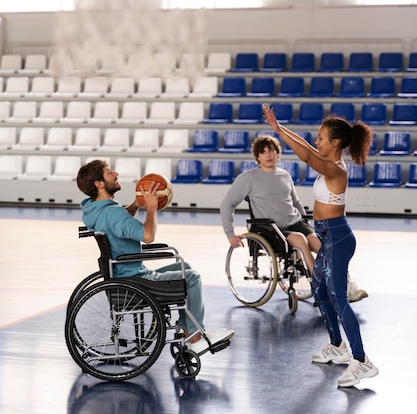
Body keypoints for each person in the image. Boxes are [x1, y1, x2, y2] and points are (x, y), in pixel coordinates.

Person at [262, 106, 379, 388]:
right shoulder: (328, 162)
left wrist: (280, 131)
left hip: (338, 239)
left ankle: (362, 361)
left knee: (339, 299)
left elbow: (306, 155)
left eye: (322, 137)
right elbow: (307, 148)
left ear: (336, 142)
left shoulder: (336, 169)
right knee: (318, 290)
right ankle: (338, 346)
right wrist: (280, 129)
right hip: (328, 237)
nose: (317, 141)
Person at [76, 159, 234, 356]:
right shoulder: (113, 213)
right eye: (109, 172)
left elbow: (117, 221)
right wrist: (151, 208)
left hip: (122, 275)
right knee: (192, 277)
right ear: (99, 183)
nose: (116, 174)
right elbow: (148, 236)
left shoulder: (95, 210)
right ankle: (195, 337)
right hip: (136, 280)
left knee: (185, 266)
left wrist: (135, 205)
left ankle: (188, 329)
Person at [220, 134, 367, 302]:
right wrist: (230, 234)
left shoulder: (284, 175)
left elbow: (296, 202)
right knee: (300, 240)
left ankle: (348, 287)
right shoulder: (249, 178)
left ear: (277, 153)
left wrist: (306, 221)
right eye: (264, 152)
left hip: (295, 222)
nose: (268, 155)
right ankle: (322, 287)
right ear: (257, 156)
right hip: (270, 229)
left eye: (272, 151)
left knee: (322, 245)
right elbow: (227, 204)